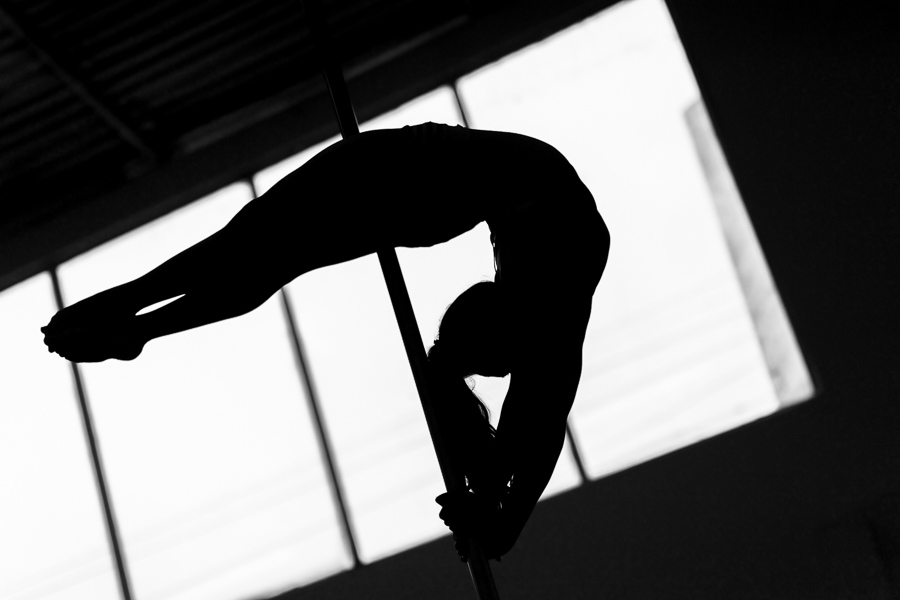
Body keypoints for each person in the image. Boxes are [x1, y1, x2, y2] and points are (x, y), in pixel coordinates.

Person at [41, 122, 610, 561]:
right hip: (425, 184)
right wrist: (499, 522)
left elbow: (533, 422)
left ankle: (137, 318)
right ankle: (134, 313)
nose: (514, 374)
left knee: (262, 249)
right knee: (263, 251)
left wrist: (491, 508)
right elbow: (538, 420)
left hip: (423, 183)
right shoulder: (556, 312)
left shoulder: (538, 292)